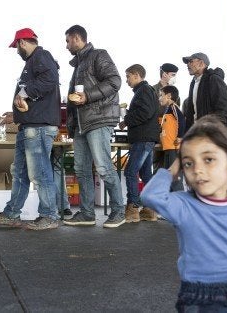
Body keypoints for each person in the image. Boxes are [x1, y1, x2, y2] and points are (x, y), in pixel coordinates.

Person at [141, 115, 227, 311]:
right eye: (189, 163)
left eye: (208, 159)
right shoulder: (184, 204)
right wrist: (173, 167)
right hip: (197, 297)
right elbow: (151, 196)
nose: (198, 169)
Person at [0, 28, 61, 230]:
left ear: (22, 43)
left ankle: (50, 215)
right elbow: (39, 92)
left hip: (38, 127)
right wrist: (17, 115)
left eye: (16, 47)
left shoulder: (41, 56)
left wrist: (25, 92)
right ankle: (12, 213)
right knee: (19, 172)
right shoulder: (34, 62)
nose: (17, 51)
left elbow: (50, 79)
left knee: (40, 173)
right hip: (29, 125)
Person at [62, 24, 126, 228]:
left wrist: (88, 95)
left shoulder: (98, 55)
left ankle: (118, 212)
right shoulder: (78, 65)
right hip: (82, 124)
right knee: (81, 170)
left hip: (98, 120)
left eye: (67, 41)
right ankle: (87, 213)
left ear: (76, 38)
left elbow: (115, 81)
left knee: (104, 167)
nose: (66, 45)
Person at [118, 64, 159, 222]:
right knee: (145, 173)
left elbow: (145, 113)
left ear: (136, 75)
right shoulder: (146, 91)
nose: (127, 80)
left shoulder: (143, 91)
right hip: (147, 137)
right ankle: (149, 209)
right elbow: (145, 112)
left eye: (128, 76)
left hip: (142, 138)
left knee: (130, 171)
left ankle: (133, 207)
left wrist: (127, 119)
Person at [181, 52, 227, 134]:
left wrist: (211, 130)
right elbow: (192, 113)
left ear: (201, 63)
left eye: (191, 61)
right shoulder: (194, 83)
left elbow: (223, 111)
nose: (188, 65)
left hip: (213, 135)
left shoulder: (214, 79)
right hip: (199, 133)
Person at [158, 85, 185, 190]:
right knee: (169, 177)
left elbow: (181, 120)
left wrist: (180, 136)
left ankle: (180, 202)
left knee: (175, 177)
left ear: (169, 96)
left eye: (161, 95)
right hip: (168, 148)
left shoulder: (173, 107)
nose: (159, 98)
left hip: (174, 148)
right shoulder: (167, 110)